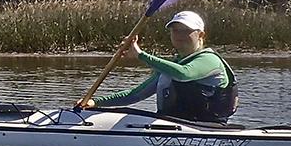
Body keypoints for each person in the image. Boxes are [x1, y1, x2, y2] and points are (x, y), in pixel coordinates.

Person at [77, 11, 238, 123]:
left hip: (203, 127)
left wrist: (141, 54)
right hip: (171, 123)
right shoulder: (173, 65)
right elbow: (135, 95)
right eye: (175, 31)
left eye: (185, 31)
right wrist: (95, 102)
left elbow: (183, 74)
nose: (179, 35)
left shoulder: (209, 60)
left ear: (201, 35)